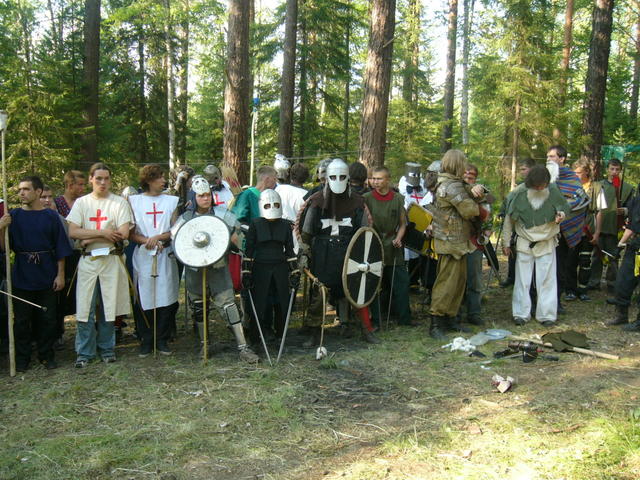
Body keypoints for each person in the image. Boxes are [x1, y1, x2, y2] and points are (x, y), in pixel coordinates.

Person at [172, 177, 259, 363]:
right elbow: (176, 240)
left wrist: (235, 241)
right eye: (201, 196)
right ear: (194, 197)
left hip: (218, 267)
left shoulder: (222, 214)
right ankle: (204, 344)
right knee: (199, 306)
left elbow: (237, 235)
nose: (205, 198)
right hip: (195, 269)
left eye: (207, 195)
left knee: (229, 306)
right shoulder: (185, 219)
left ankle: (243, 347)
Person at [298, 158, 377, 344]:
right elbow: (307, 232)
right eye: (334, 177)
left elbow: (364, 233)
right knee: (319, 293)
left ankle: (361, 328)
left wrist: (363, 254)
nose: (338, 181)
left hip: (349, 252)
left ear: (348, 178)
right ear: (327, 178)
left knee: (354, 289)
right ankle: (314, 332)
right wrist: (304, 253)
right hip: (322, 253)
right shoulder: (316, 201)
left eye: (342, 177)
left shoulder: (357, 201)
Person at [0, 176, 72, 371]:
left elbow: (60, 248)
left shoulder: (51, 217)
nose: (21, 193)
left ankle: (46, 355)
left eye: (26, 189)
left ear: (38, 192)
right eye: (20, 190)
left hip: (47, 272)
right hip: (22, 273)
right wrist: (1, 228)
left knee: (47, 319)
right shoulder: (13, 215)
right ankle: (22, 359)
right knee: (22, 320)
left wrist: (60, 274)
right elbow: (4, 248)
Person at [67, 163, 133, 368]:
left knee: (108, 306)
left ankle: (107, 349)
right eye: (98, 178)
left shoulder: (119, 203)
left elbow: (123, 233)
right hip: (88, 260)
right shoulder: (82, 203)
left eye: (106, 178)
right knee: (85, 307)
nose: (103, 182)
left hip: (111, 259)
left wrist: (89, 237)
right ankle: (85, 352)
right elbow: (73, 231)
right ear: (90, 179)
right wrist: (103, 233)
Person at [428, 150, 486, 339]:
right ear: (457, 164)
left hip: (457, 241)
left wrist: (476, 191)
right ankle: (436, 323)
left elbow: (469, 196)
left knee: (458, 282)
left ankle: (451, 318)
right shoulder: (451, 186)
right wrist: (480, 205)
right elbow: (469, 210)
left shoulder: (452, 183)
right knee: (446, 283)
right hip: (450, 241)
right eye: (463, 163)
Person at [502, 165, 570, 327]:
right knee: (522, 281)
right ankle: (520, 314)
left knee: (547, 281)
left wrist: (561, 215)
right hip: (525, 242)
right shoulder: (518, 193)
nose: (540, 188)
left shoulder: (553, 191)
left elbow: (564, 209)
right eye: (537, 185)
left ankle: (547, 315)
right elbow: (508, 220)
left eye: (543, 185)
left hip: (546, 242)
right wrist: (506, 242)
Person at [128, 164, 180, 357]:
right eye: (160, 177)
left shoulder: (171, 201)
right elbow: (130, 232)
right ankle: (146, 339)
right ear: (149, 180)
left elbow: (174, 229)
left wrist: (158, 238)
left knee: (166, 296)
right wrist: (147, 241)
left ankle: (162, 338)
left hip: (164, 253)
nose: (163, 180)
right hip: (144, 254)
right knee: (144, 296)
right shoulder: (134, 201)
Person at [243, 189, 299, 342]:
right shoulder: (255, 224)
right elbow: (249, 250)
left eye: (275, 204)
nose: (272, 207)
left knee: (281, 302)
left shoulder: (285, 225)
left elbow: (289, 250)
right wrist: (246, 272)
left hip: (280, 267)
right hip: (260, 268)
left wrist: (295, 271)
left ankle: (281, 334)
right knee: (260, 303)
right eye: (268, 205)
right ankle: (257, 336)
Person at [364, 166, 412, 329]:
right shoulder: (366, 198)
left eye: (379, 178)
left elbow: (403, 224)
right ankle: (376, 320)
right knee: (374, 283)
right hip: (374, 243)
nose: (375, 182)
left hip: (393, 244)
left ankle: (405, 319)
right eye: (373, 178)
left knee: (401, 282)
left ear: (387, 180)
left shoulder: (398, 199)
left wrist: (398, 238)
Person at [546, 145, 588, 312]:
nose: (549, 159)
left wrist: (560, 210)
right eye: (547, 156)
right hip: (543, 229)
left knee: (559, 267)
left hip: (563, 231)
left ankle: (556, 302)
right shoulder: (544, 177)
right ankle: (540, 301)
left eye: (552, 156)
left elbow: (580, 200)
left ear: (562, 158)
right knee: (542, 267)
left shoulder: (571, 178)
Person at [588, 158, 635, 292]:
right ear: (607, 170)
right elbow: (592, 206)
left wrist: (625, 210)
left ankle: (612, 283)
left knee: (613, 257)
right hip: (599, 226)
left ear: (620, 171)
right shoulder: (598, 186)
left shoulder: (627, 188)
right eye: (612, 169)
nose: (614, 172)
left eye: (617, 169)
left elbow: (633, 207)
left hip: (615, 227)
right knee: (597, 256)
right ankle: (594, 281)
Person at [571, 159, 607, 301]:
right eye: (574, 173)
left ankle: (583, 289)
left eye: (579, 172)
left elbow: (599, 211)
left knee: (585, 261)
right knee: (571, 260)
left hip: (588, 228)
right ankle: (570, 290)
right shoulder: (570, 186)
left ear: (586, 172)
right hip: (572, 229)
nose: (576, 175)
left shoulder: (597, 187)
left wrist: (597, 232)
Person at [461, 164, 492, 326]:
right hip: (456, 242)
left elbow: (487, 219)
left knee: (475, 280)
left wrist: (486, 232)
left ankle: (474, 313)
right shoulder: (455, 193)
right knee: (456, 281)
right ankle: (456, 313)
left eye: (471, 177)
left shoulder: (483, 197)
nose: (468, 178)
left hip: (474, 242)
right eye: (465, 176)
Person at [501, 158, 535, 288]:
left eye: (524, 169)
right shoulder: (519, 188)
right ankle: (512, 277)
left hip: (533, 230)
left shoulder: (542, 186)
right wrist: (503, 210)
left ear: (532, 169)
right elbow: (508, 202)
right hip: (517, 227)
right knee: (513, 252)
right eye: (520, 169)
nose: (521, 172)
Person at [608, 190, 640, 331]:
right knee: (623, 281)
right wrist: (620, 244)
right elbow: (631, 225)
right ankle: (621, 315)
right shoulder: (636, 199)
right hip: (634, 246)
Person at [398, 162, 431, 291]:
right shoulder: (402, 187)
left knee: (417, 252)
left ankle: (414, 282)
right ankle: (404, 281)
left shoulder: (423, 187)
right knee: (406, 252)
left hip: (421, 224)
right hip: (406, 224)